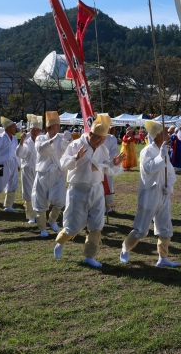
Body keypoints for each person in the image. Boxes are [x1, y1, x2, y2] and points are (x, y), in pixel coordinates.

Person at [53, 114, 125, 268]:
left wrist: (114, 163)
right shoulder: (76, 144)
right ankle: (61, 241)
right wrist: (76, 158)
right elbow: (63, 164)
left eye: (103, 139)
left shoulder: (103, 149)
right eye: (98, 138)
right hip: (78, 189)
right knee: (73, 225)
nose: (100, 142)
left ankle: (90, 255)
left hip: (97, 189)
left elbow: (108, 168)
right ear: (90, 134)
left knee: (96, 225)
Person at [120, 120, 179, 267]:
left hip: (163, 194)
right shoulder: (147, 151)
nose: (169, 135)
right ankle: (125, 248)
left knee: (165, 227)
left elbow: (170, 173)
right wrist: (161, 156)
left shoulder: (164, 149)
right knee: (141, 229)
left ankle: (163, 257)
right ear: (158, 135)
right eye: (166, 132)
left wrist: (169, 185)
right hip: (150, 194)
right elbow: (149, 168)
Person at [33, 111, 69, 238]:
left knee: (60, 201)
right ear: (48, 128)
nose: (57, 130)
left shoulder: (60, 137)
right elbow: (41, 149)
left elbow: (66, 150)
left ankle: (52, 219)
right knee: (40, 202)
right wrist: (53, 140)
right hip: (43, 174)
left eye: (58, 128)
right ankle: (42, 227)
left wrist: (67, 140)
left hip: (57, 173)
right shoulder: (41, 137)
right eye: (55, 128)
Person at [16, 114, 42, 224]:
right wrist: (21, 142)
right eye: (33, 130)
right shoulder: (26, 140)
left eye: (37, 130)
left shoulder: (43, 140)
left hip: (40, 170)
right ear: (29, 129)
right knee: (28, 193)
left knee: (39, 193)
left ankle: (40, 214)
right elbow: (20, 153)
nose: (35, 132)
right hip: (27, 170)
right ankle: (31, 215)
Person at [102, 125, 121, 212]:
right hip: (95, 165)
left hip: (107, 165)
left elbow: (114, 152)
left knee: (107, 184)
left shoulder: (111, 138)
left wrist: (103, 159)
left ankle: (106, 205)